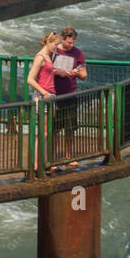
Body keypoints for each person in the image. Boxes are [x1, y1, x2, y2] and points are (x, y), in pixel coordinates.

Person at [52, 26, 87, 172]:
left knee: (70, 127)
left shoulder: (78, 53)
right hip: (54, 94)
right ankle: (52, 158)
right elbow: (46, 69)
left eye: (73, 42)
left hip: (70, 93)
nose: (71, 45)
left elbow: (84, 75)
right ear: (62, 39)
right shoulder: (54, 51)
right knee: (54, 128)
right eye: (68, 42)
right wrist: (57, 72)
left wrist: (77, 72)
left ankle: (69, 156)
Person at [27, 31, 61, 174]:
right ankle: (36, 165)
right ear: (48, 43)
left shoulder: (49, 56)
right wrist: (44, 92)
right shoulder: (40, 57)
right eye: (55, 44)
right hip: (43, 97)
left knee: (48, 131)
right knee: (43, 132)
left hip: (50, 96)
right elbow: (30, 79)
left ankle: (46, 162)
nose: (57, 47)